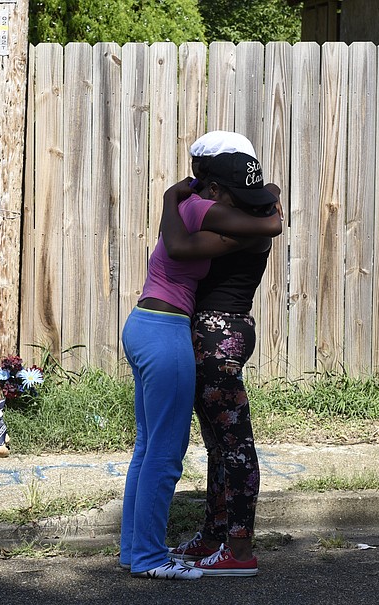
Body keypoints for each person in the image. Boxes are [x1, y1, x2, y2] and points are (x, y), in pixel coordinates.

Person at [120, 145, 281, 580]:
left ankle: (139, 551)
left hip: (148, 325)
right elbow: (265, 216)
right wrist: (271, 215)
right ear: (211, 187)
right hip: (169, 332)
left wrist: (174, 197)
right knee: (170, 455)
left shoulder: (189, 206)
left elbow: (266, 201)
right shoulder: (202, 211)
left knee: (156, 448)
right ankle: (155, 557)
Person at [166, 136, 283, 577]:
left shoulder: (237, 228)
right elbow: (271, 193)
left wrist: (175, 197)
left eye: (208, 186)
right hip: (224, 331)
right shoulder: (257, 209)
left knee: (234, 443)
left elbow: (178, 246)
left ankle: (239, 548)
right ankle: (214, 536)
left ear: (219, 191)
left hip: (218, 333)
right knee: (218, 442)